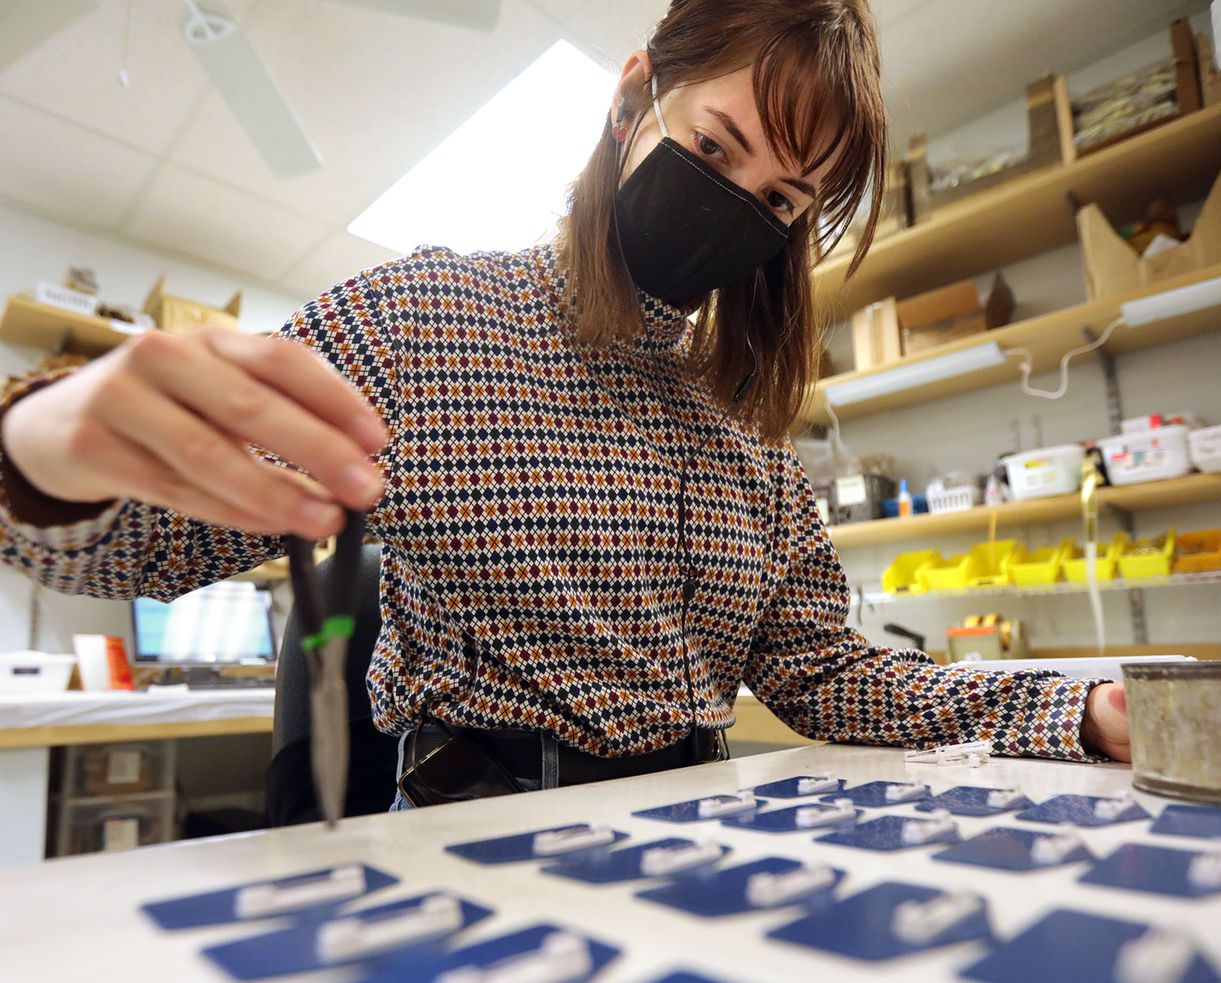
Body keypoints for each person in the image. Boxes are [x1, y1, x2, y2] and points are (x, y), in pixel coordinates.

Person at [0, 0, 1129, 811]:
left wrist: (1072, 710)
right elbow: (144, 542)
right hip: (470, 834)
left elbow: (822, 669)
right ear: (633, 95)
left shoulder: (747, 421)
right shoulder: (420, 321)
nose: (733, 204)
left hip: (697, 831)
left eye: (778, 199)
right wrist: (42, 448)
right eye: (711, 146)